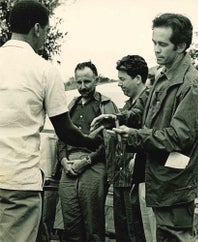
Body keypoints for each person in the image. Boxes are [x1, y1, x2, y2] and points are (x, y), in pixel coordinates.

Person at [0, 2, 99, 242]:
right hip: (17, 181)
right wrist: (91, 141)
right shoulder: (44, 70)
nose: (45, 37)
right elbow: (64, 130)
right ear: (37, 28)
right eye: (46, 30)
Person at [113, 13, 198, 242]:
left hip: (174, 185)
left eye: (162, 44)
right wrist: (120, 119)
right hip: (159, 180)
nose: (156, 49)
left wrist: (135, 136)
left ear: (181, 46)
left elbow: (179, 136)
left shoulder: (190, 83)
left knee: (177, 238)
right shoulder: (162, 75)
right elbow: (144, 109)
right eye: (154, 42)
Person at [57, 61, 118, 242]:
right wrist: (62, 161)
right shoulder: (70, 106)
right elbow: (61, 137)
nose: (82, 87)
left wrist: (86, 161)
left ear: (96, 80)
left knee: (93, 225)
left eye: (87, 82)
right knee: (71, 224)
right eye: (79, 82)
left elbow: (110, 142)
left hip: (94, 165)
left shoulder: (106, 105)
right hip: (69, 167)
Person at [112, 55, 148, 242]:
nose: (119, 84)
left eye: (122, 79)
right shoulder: (127, 106)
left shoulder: (149, 101)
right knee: (125, 231)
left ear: (138, 79)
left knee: (140, 231)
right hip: (123, 177)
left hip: (142, 177)